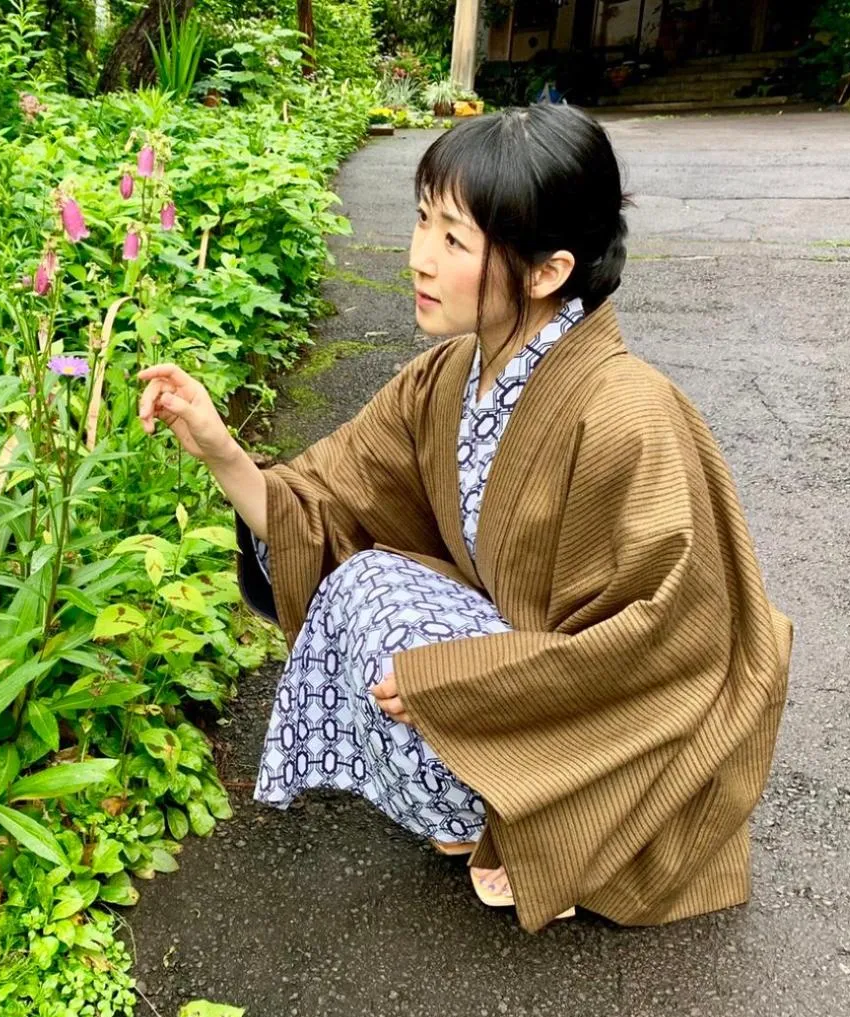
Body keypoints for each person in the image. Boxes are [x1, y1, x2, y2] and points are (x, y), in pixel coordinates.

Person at [135, 103, 793, 933]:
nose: (418, 258)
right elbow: (323, 506)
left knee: (385, 610)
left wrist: (464, 685)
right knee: (363, 585)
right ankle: (488, 813)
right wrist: (221, 450)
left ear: (548, 271)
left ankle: (550, 831)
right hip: (525, 662)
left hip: (615, 717)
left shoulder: (631, 415)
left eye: (454, 240)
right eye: (422, 222)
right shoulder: (444, 379)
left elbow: (666, 644)